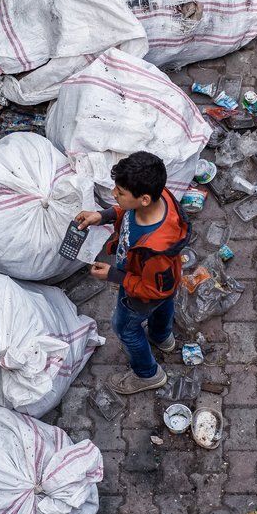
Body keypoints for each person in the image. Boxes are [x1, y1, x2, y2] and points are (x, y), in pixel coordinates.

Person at [75, 151, 190, 395]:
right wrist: (103, 216)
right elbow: (126, 214)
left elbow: (151, 289)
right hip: (162, 285)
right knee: (164, 304)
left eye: (120, 192)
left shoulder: (156, 251)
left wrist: (113, 276)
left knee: (125, 327)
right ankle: (162, 337)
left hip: (143, 291)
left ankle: (148, 374)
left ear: (144, 199)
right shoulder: (162, 197)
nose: (114, 194)